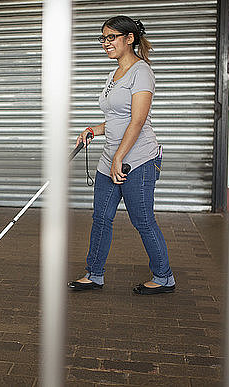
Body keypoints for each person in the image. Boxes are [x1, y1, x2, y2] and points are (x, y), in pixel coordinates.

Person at [67, 15, 175, 295]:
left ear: (129, 39)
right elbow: (116, 118)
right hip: (109, 159)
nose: (106, 43)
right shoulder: (112, 75)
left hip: (138, 160)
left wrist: (120, 158)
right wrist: (93, 129)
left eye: (111, 37)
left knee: (142, 220)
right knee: (101, 218)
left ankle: (164, 277)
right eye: (103, 38)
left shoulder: (142, 72)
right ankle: (95, 273)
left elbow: (137, 121)